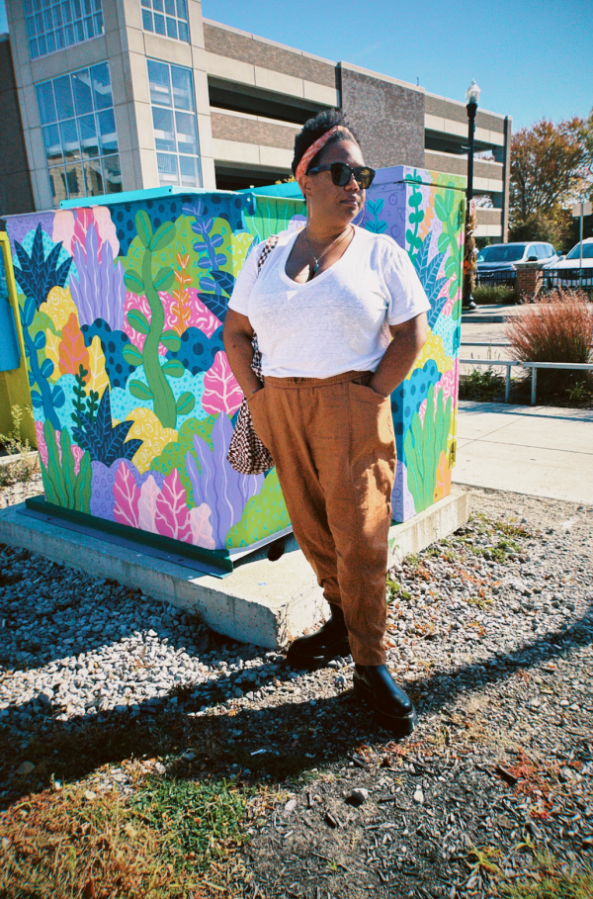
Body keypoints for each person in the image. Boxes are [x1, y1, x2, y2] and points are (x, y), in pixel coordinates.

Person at [223, 109, 430, 736]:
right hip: (280, 405)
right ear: (304, 176)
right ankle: (340, 623)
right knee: (312, 525)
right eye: (341, 171)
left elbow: (412, 336)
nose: (355, 184)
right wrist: (257, 399)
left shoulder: (380, 253)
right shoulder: (264, 255)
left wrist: (370, 396)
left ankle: (370, 660)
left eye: (361, 174)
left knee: (361, 535)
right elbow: (235, 332)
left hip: (350, 404)